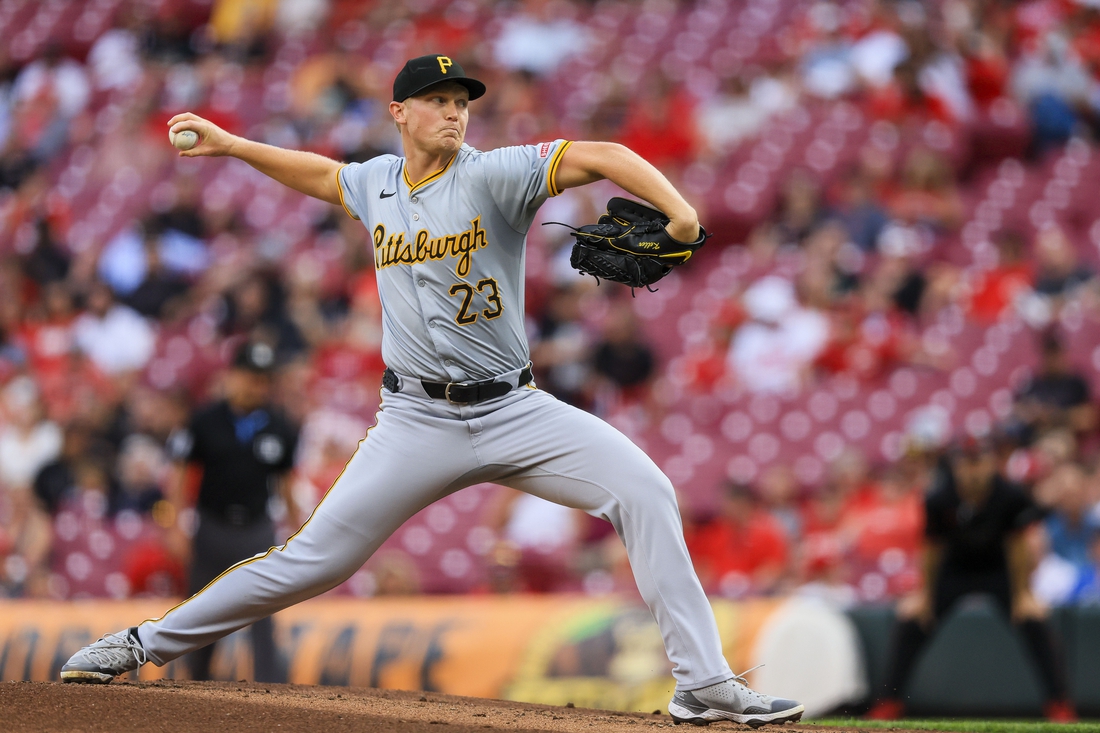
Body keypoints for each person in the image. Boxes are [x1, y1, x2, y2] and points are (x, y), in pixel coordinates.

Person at [59, 55, 803, 727]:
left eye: (461, 102)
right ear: (400, 113)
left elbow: (601, 155)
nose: (454, 113)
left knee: (646, 491)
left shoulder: (493, 174)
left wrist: (681, 212)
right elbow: (320, 175)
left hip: (515, 408)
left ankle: (702, 685)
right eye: (437, 100)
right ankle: (143, 642)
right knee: (313, 559)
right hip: (414, 418)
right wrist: (232, 145)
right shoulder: (376, 181)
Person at [866, 438, 1076, 723]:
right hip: (955, 571)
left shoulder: (1009, 495)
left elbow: (1017, 546)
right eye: (966, 463)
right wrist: (925, 595)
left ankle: (1059, 704)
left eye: (978, 462)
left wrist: (1023, 593)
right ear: (956, 466)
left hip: (998, 570)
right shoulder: (939, 498)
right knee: (911, 620)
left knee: (1034, 620)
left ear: (990, 464)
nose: (972, 471)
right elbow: (932, 549)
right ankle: (888, 702)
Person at [162, 340, 300, 682]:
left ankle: (269, 692)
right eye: (252, 377)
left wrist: (298, 531)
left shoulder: (279, 426)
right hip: (212, 527)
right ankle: (193, 686)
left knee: (262, 614)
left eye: (264, 379)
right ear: (233, 376)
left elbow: (287, 484)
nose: (258, 386)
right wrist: (175, 526)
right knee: (200, 612)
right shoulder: (205, 420)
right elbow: (180, 474)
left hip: (256, 529)